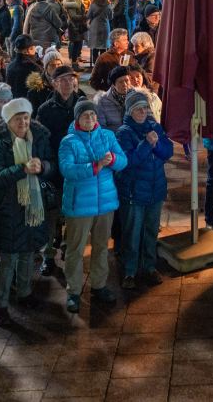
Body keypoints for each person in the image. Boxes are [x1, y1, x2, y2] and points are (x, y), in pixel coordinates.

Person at [0, 98, 53, 324]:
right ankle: (1, 305)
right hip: (8, 210)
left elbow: (52, 164)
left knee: (27, 254)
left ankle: (25, 293)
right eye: (17, 118)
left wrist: (43, 167)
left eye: (26, 117)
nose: (23, 122)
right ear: (8, 121)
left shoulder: (39, 138)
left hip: (33, 206)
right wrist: (22, 169)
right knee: (7, 260)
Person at [59, 99, 126, 312]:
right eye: (86, 115)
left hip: (105, 203)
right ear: (77, 119)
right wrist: (94, 166)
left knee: (101, 246)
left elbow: (124, 161)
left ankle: (99, 285)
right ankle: (74, 291)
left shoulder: (107, 136)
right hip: (79, 204)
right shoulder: (69, 141)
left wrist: (113, 158)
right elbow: (67, 170)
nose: (91, 119)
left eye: (93, 115)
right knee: (75, 249)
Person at [114, 91, 173, 285]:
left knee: (150, 231)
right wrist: (147, 144)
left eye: (145, 108)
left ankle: (149, 266)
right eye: (138, 108)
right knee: (132, 232)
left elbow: (168, 151)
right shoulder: (123, 132)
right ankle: (129, 271)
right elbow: (127, 161)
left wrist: (155, 145)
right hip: (133, 192)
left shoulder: (155, 126)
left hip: (155, 190)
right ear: (130, 111)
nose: (143, 111)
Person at [86, 0, 113, 65]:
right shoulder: (108, 5)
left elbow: (88, 16)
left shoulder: (93, 5)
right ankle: (102, 63)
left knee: (95, 46)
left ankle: (96, 64)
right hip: (105, 27)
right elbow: (111, 17)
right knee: (104, 47)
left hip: (94, 27)